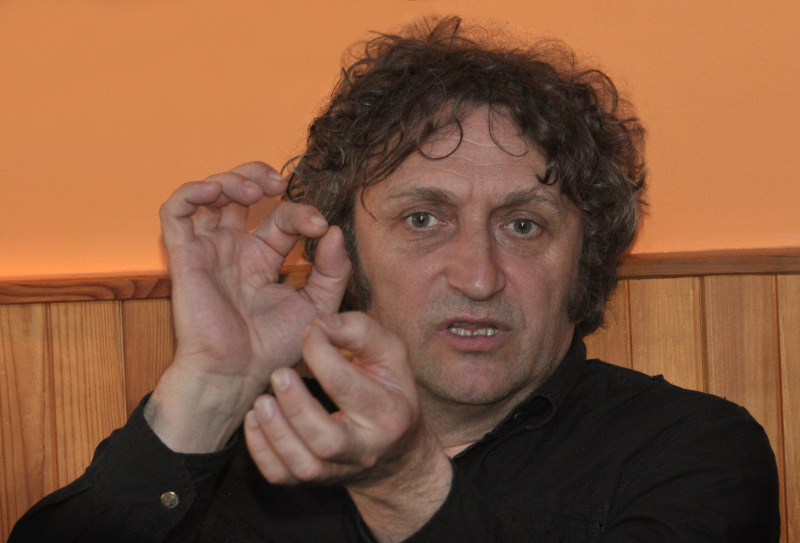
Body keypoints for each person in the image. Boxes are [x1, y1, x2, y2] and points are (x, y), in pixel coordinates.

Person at [10, 16, 779, 542]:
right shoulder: (249, 443)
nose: (478, 276)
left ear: (585, 259)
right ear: (344, 250)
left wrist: (406, 485)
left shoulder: (691, 450)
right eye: (423, 218)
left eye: (523, 224)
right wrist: (209, 389)